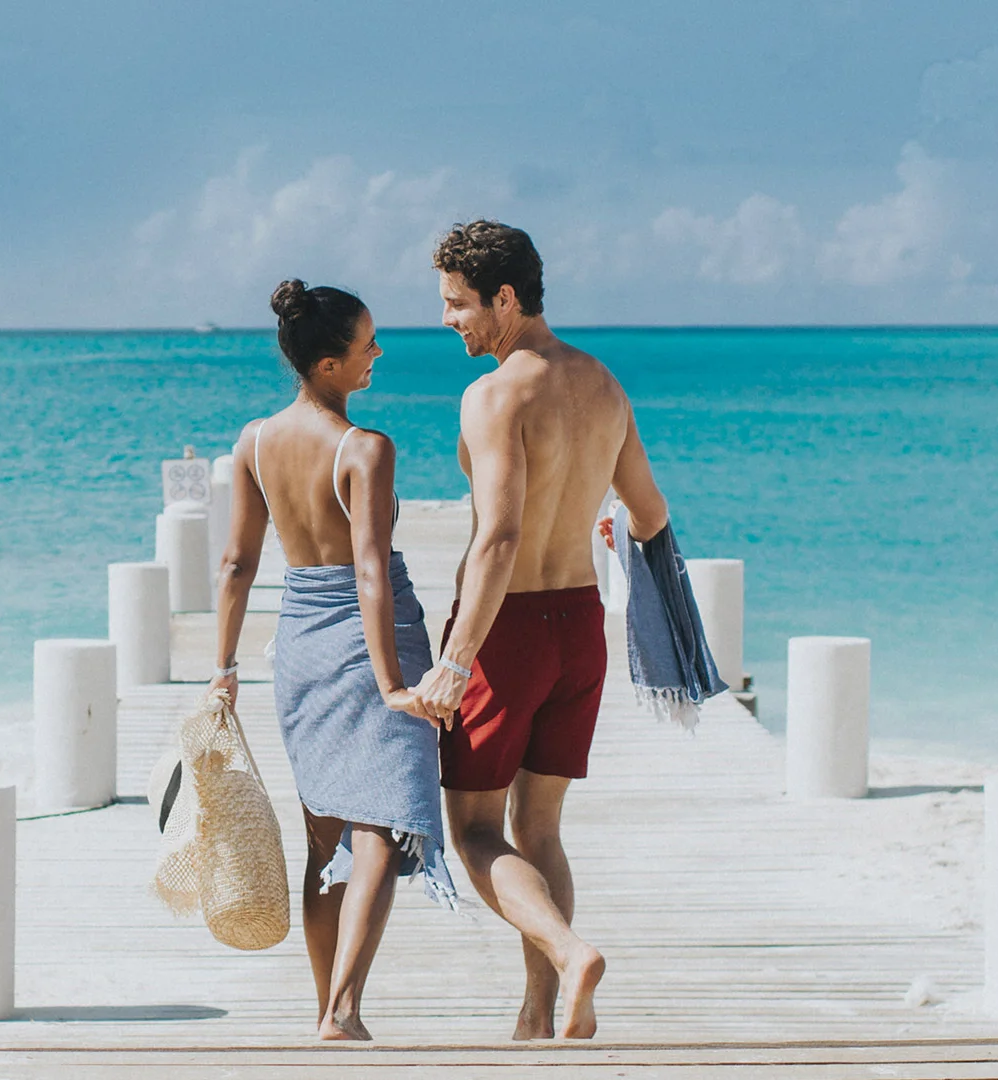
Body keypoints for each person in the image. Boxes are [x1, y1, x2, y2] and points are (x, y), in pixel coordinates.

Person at [409, 221, 672, 1041]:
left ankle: (567, 949)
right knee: (542, 828)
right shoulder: (603, 383)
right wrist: (593, 522)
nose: (448, 318)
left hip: (507, 634)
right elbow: (650, 514)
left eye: (457, 304)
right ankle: (537, 1013)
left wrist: (455, 662)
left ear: (506, 298)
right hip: (580, 627)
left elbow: (498, 537)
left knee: (476, 831)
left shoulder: (496, 394)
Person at [210, 279, 458, 1042]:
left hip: (301, 644)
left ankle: (328, 1008)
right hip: (368, 639)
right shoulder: (364, 448)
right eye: (365, 346)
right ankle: (344, 1009)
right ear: (326, 365)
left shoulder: (252, 440)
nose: (378, 354)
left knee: (325, 832)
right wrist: (391, 680)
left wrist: (223, 666)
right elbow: (372, 573)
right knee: (382, 818)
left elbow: (235, 563)